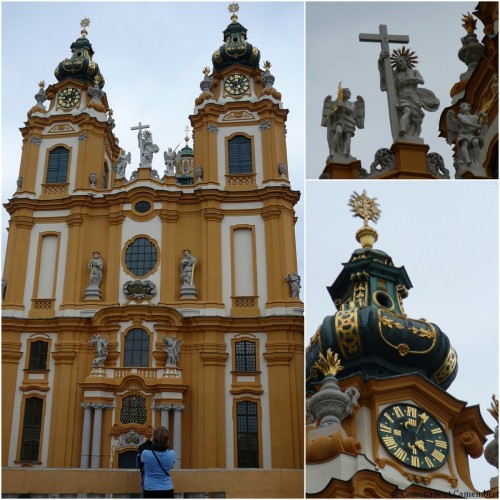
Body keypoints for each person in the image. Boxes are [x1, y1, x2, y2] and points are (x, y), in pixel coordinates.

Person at [378, 49, 439, 139]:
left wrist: (409, 79)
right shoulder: (395, 74)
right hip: (402, 97)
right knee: (407, 111)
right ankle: (402, 130)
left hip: (414, 98)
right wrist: (381, 61)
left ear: (406, 61)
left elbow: (421, 81)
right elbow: (385, 74)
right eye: (397, 62)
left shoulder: (414, 72)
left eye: (401, 61)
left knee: (417, 121)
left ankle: (413, 136)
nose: (399, 63)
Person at [140, 426, 176, 498]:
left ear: (154, 438)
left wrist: (150, 440)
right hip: (167, 489)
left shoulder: (146, 454)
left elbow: (141, 448)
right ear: (167, 439)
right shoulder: (172, 454)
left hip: (150, 489)